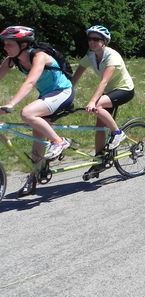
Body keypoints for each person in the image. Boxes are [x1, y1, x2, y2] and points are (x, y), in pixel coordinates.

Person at [0, 26, 74, 197]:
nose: (5, 47)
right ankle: (33, 178)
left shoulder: (39, 56)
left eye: (9, 44)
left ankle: (59, 141)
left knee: (27, 113)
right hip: (47, 95)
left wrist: (11, 104)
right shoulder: (12, 59)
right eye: (4, 44)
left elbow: (30, 82)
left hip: (63, 92)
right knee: (37, 141)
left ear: (24, 44)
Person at [71, 26, 135, 176]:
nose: (92, 42)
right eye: (90, 39)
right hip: (110, 92)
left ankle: (117, 133)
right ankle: (99, 160)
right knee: (99, 127)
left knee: (98, 105)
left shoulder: (112, 56)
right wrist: (66, 94)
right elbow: (75, 77)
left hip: (124, 90)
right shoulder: (90, 56)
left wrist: (93, 101)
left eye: (96, 39)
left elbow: (104, 82)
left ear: (105, 41)